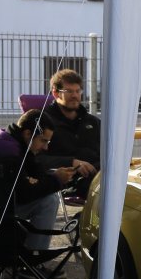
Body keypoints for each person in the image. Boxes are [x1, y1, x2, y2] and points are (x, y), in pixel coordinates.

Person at [0, 110, 77, 259]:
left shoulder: (7, 141)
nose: (46, 147)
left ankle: (30, 257)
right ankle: (34, 259)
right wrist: (56, 180)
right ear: (27, 134)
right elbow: (24, 194)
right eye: (43, 140)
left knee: (46, 197)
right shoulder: (9, 151)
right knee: (49, 201)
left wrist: (51, 177)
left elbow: (33, 173)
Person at [36, 68, 100, 199]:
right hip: (68, 181)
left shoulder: (93, 122)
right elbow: (35, 159)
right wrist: (72, 162)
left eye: (78, 91)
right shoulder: (43, 122)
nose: (75, 95)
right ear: (55, 93)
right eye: (69, 91)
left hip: (99, 175)